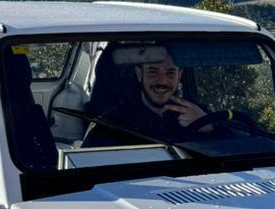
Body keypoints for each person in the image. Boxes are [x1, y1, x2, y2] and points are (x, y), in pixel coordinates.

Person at [82, 45, 210, 147]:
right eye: (153, 72)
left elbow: (220, 152)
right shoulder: (112, 124)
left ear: (179, 75)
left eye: (170, 73)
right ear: (140, 74)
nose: (162, 81)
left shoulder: (196, 113)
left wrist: (209, 126)